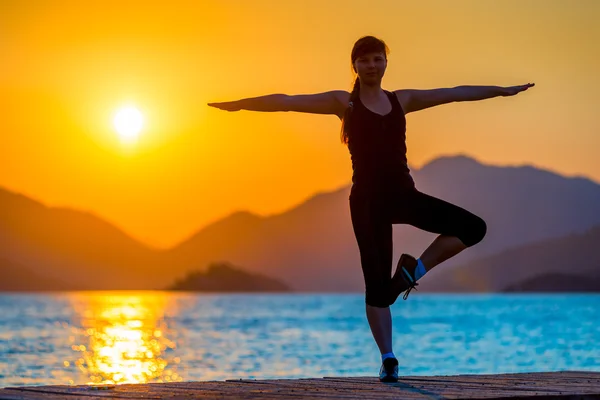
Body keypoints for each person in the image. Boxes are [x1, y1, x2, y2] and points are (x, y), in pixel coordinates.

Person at [207, 35, 534, 383]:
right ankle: (389, 359)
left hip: (403, 195)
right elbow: (287, 102)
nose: (372, 66)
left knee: (474, 228)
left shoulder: (402, 100)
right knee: (376, 287)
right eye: (364, 60)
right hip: (366, 203)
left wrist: (501, 90)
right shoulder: (343, 103)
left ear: (386, 63)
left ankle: (414, 271)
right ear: (355, 65)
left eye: (378, 59)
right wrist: (240, 104)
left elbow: (453, 92)